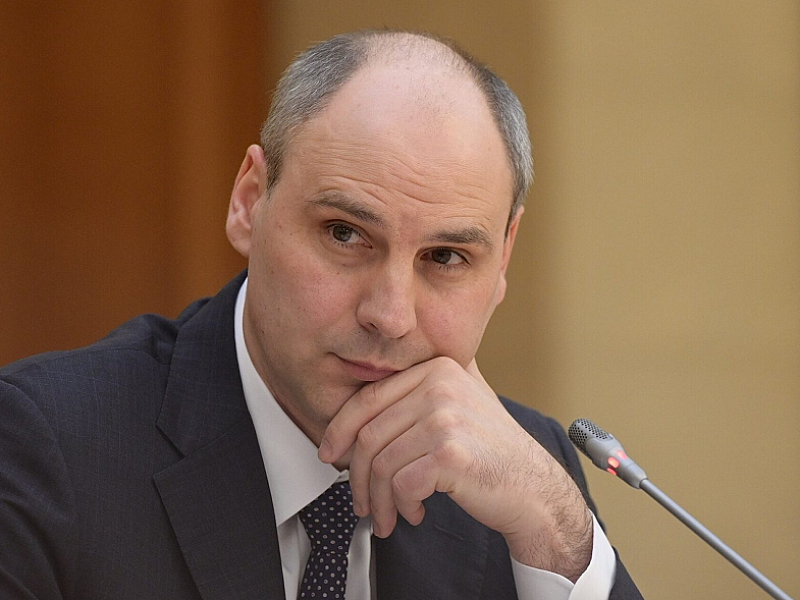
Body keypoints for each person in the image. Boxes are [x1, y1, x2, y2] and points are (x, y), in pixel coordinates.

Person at [0, 30, 643, 599]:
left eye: (445, 257)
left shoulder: (527, 476)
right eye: (344, 234)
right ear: (250, 201)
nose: (390, 315)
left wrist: (558, 532)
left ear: (503, 260)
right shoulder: (45, 448)